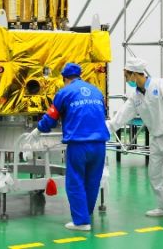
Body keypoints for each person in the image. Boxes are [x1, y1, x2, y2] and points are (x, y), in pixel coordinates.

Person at [107, 57, 163, 226]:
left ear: (134, 74)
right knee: (155, 174)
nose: (126, 79)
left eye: (126, 76)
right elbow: (122, 115)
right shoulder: (136, 96)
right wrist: (105, 129)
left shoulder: (160, 85)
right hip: (156, 137)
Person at [25, 62, 109, 231]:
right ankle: (86, 214)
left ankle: (81, 222)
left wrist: (38, 130)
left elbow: (51, 118)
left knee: (75, 181)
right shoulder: (96, 91)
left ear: (64, 78)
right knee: (92, 181)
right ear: (80, 75)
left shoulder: (64, 92)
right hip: (100, 144)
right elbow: (101, 114)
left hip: (78, 144)